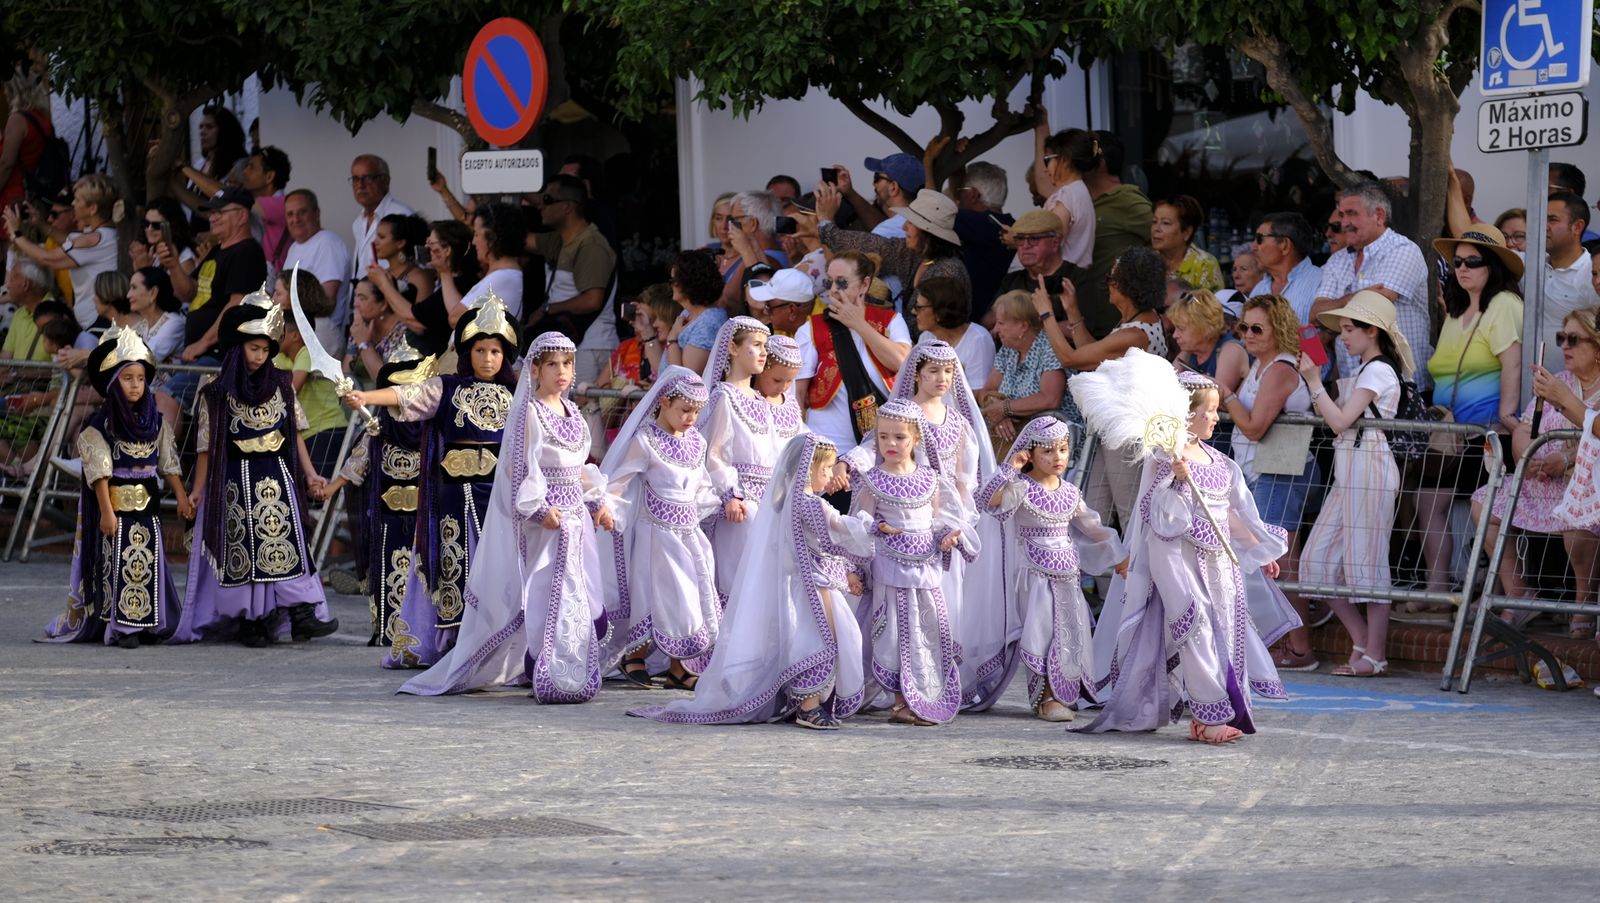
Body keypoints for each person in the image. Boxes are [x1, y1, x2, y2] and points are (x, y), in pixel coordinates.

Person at [398, 333, 617, 702]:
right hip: (546, 522)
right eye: (552, 364)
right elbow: (519, 468)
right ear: (536, 369)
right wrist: (539, 507)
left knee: (577, 593)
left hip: (576, 521)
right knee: (545, 594)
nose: (561, 372)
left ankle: (567, 666)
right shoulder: (531, 411)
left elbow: (581, 467)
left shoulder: (574, 413)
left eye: (567, 364)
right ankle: (542, 666)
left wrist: (597, 502)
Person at [1081, 370, 1288, 742]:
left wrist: (1259, 551)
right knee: (1197, 629)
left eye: (1215, 410)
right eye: (1207, 411)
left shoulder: (1222, 463)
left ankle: (1223, 709)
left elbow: (1233, 514)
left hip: (1218, 565)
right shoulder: (1165, 458)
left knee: (1224, 628)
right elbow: (1157, 516)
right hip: (1176, 559)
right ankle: (1209, 720)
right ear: (1183, 414)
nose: (1214, 417)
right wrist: (1176, 479)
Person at [631, 433, 874, 728]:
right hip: (810, 587)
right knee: (817, 640)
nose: (828, 475)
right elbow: (839, 529)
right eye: (825, 469)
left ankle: (802, 702)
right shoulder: (811, 505)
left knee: (808, 640)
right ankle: (808, 706)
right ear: (808, 469)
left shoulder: (787, 503)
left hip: (802, 584)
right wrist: (871, 527)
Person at [343, 293, 520, 669]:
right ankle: (455, 642)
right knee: (457, 566)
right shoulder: (446, 388)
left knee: (499, 570)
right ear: (466, 353)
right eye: (480, 350)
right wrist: (366, 395)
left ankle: (497, 645)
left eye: (495, 351)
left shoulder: (517, 395)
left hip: (500, 502)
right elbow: (407, 396)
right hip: (454, 499)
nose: (488, 358)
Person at [171, 292, 338, 647]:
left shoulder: (281, 385)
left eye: (265, 349)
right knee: (244, 548)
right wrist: (198, 489)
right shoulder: (215, 391)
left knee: (287, 543)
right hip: (235, 479)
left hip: (278, 475)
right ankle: (252, 621)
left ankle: (301, 614)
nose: (260, 356)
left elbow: (294, 434)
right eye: (253, 349)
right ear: (238, 347)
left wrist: (309, 474)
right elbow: (205, 446)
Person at [38, 329, 193, 647]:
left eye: (140, 378)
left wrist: (181, 496)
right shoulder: (101, 425)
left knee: (147, 562)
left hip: (148, 510)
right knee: (116, 567)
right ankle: (122, 627)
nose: (136, 385)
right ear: (112, 384)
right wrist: (106, 513)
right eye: (127, 379)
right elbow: (99, 475)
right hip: (116, 510)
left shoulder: (156, 422)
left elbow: (169, 463)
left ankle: (147, 623)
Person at [1296, 293, 1415, 676]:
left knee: (1367, 561)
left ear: (1372, 331)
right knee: (1316, 562)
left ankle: (1373, 652)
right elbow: (1335, 417)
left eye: (1350, 329)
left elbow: (1339, 421)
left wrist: (1314, 380)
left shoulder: (1379, 370)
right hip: (1353, 466)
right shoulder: (1368, 369)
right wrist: (1316, 382)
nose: (1344, 336)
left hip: (1370, 465)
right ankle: (1363, 641)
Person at [981, 416, 1125, 720]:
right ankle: (1045, 697)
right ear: (1030, 453)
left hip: (1068, 577)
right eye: (1047, 451)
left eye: (1062, 449)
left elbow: (1093, 528)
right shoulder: (1020, 487)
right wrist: (1010, 469)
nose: (1057, 457)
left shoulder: (1071, 492)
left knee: (1068, 633)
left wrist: (1120, 557)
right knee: (1042, 634)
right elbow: (987, 502)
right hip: (1032, 577)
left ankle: (1062, 693)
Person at [1411, 226, 1524, 601]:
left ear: (1492, 265)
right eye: (1456, 261)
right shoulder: (1457, 311)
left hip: (1486, 432)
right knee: (1428, 503)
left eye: (1472, 261)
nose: (1462, 268)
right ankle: (1439, 592)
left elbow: (1513, 364)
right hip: (1450, 433)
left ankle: (1512, 596)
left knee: (1488, 513)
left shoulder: (1505, 303)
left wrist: (1507, 416)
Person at [1475, 308, 1600, 636]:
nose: (1565, 346)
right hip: (1540, 482)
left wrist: (1564, 458)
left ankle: (1583, 604)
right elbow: (1526, 425)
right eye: (1562, 338)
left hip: (1582, 487)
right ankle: (1517, 592)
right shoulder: (1558, 381)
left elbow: (1594, 434)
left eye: (1574, 339)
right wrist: (1525, 456)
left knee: (1579, 526)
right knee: (1483, 507)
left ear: (1598, 347)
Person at [598, 366, 721, 690]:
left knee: (687, 599)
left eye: (695, 411)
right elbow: (620, 480)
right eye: (684, 410)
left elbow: (701, 484)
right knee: (660, 598)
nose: (690, 418)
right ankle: (637, 655)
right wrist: (606, 508)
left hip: (688, 533)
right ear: (664, 402)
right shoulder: (646, 440)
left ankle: (677, 667)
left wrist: (716, 501)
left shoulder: (696, 441)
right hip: (656, 535)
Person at [853, 398, 974, 725]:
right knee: (894, 632)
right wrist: (877, 528)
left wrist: (947, 535)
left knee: (928, 630)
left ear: (917, 439)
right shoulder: (871, 479)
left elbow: (935, 519)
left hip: (927, 568)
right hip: (890, 570)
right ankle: (899, 701)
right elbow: (859, 521)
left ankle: (926, 694)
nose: (890, 444)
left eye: (900, 437)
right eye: (883, 437)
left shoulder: (931, 479)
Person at [1218, 293, 1318, 667]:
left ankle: (1301, 647)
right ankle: (1281, 641)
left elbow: (1255, 427)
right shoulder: (1260, 366)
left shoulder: (1280, 369)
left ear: (1279, 330)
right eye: (1244, 327)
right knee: (1266, 558)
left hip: (1282, 470)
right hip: (1261, 470)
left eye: (1258, 328)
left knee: (1280, 558)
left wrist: (1226, 397)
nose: (1248, 334)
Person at [316, 346, 435, 646]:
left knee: (422, 574)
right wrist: (330, 489)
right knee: (389, 574)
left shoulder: (433, 431)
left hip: (424, 519)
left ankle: (424, 631)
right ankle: (389, 633)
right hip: (389, 519)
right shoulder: (377, 428)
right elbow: (356, 464)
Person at [696, 316, 780, 608]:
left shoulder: (760, 399)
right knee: (738, 581)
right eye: (756, 345)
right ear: (732, 348)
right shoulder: (723, 397)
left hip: (767, 502)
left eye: (765, 346)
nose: (764, 352)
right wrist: (731, 495)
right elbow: (715, 455)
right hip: (740, 506)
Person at [1313, 181, 1432, 385]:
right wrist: (1360, 295)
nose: (1344, 222)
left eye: (1352, 213)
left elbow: (1374, 306)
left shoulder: (1403, 250)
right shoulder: (1337, 260)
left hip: (1402, 386)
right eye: (1342, 215)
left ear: (1379, 215)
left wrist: (1338, 304)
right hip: (1351, 386)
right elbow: (1316, 314)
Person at [794, 252, 913, 454]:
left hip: (881, 447)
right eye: (828, 282)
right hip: (827, 447)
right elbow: (797, 395)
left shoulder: (891, 321)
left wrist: (859, 324)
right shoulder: (811, 329)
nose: (833, 290)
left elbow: (902, 362)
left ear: (864, 285)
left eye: (841, 283)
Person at [811, 186, 971, 311]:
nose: (904, 227)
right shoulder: (915, 256)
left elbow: (939, 324)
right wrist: (826, 224)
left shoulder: (948, 272)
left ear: (927, 232)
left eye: (911, 223)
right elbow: (875, 245)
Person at [3, 174, 121, 329]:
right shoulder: (104, 235)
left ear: (92, 209)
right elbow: (70, 242)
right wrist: (41, 224)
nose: (73, 204)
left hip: (98, 325)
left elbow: (48, 259)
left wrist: (16, 235)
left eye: (78, 200)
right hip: (96, 321)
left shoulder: (92, 240)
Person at [529, 177, 616, 381]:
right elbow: (516, 240)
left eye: (547, 199)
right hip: (572, 345)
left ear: (567, 207)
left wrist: (547, 310)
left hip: (590, 346)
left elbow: (592, 300)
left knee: (583, 410)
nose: (540, 205)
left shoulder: (591, 244)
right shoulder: (559, 240)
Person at [1079, 130, 1153, 338]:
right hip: (1087, 323)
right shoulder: (1080, 202)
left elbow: (1166, 238)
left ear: (1100, 161)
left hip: (1119, 326)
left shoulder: (1126, 200)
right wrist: (1042, 127)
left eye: (1083, 153)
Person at [978, 290, 1065, 448]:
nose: (995, 330)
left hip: (1051, 445)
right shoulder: (1008, 350)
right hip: (1018, 442)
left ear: (1023, 326)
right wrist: (997, 411)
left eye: (1001, 323)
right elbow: (987, 390)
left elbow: (1051, 399)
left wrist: (1005, 408)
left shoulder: (1048, 348)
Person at [183, 145, 292, 272]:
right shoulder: (254, 205)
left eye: (251, 167)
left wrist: (184, 168)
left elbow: (224, 196)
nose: (244, 172)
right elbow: (206, 208)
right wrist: (174, 184)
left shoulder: (282, 204)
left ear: (269, 177)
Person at [1169, 288, 1247, 455]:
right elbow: (1168, 385)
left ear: (1202, 326)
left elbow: (1213, 402)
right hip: (1200, 439)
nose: (1175, 335)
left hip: (1224, 443)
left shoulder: (1230, 350)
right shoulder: (1189, 351)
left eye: (1181, 328)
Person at [282, 189, 353, 356]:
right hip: (298, 338)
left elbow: (327, 302)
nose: (295, 219)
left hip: (319, 338)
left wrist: (285, 302)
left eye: (302, 212)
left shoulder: (327, 242)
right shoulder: (294, 248)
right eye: (290, 214)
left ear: (317, 213)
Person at [993, 208, 1084, 332]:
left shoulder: (1078, 278)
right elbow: (989, 321)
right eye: (1020, 239)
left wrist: (1022, 327)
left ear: (1055, 243)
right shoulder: (1011, 281)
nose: (1025, 245)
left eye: (1034, 239)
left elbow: (1080, 327)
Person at [946, 160, 1015, 312]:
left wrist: (928, 165)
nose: (958, 196)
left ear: (973, 195)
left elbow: (933, 212)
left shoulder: (977, 223)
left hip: (971, 317)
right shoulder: (1011, 226)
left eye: (961, 190)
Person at [445, 202, 526, 327]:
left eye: (477, 234)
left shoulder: (503, 278)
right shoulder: (503, 275)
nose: (473, 242)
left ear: (492, 238)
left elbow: (455, 318)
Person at [1031, 120, 1098, 269]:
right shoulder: (1079, 191)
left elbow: (1050, 239)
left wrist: (1017, 238)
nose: (1045, 168)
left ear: (1065, 160)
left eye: (1047, 160)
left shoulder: (1067, 194)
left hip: (1061, 281)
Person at [408, 220, 479, 356]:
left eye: (431, 244)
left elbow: (415, 317)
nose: (426, 248)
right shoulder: (448, 279)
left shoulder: (462, 282)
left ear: (446, 250)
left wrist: (383, 284)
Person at [909, 276, 993, 387]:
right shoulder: (926, 337)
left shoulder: (978, 340)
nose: (913, 311)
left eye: (919, 307)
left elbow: (977, 392)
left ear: (939, 313)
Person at [0, 65, 52, 242]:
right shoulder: (41, 118)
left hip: (14, 189)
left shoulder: (18, 119)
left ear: (14, 90)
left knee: (12, 243)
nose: (5, 94)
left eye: (6, 89)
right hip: (31, 188)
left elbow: (6, 163)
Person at [363, 213, 435, 337]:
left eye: (382, 237)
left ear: (400, 243)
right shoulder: (382, 273)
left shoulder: (419, 277)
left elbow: (421, 322)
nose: (375, 242)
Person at [349, 154, 414, 290]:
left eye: (367, 178)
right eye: (355, 179)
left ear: (385, 181)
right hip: (363, 304)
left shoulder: (401, 215)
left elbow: (415, 267)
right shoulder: (358, 222)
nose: (360, 185)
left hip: (393, 302)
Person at [1249, 212, 1323, 325]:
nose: (1253, 247)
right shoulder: (1259, 289)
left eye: (1259, 239)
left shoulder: (1322, 283)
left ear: (1284, 245)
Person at [662, 248, 728, 374]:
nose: (670, 285)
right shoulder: (687, 313)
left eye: (673, 281)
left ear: (689, 282)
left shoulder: (709, 321)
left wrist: (672, 339)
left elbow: (687, 378)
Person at [1152, 195, 1222, 292]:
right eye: (1154, 221)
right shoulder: (1147, 261)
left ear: (1187, 232)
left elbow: (1209, 306)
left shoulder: (1204, 265)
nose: (1156, 228)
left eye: (1166, 223)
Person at [0, 257, 54, 361]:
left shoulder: (56, 314)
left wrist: (17, 374)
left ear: (25, 284)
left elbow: (61, 368)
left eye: (11, 279)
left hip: (41, 378)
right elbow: (6, 357)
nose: (8, 286)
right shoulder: (19, 314)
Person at [747, 267, 815, 337]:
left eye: (769, 307)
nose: (765, 312)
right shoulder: (783, 331)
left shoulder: (816, 339)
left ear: (792, 311)